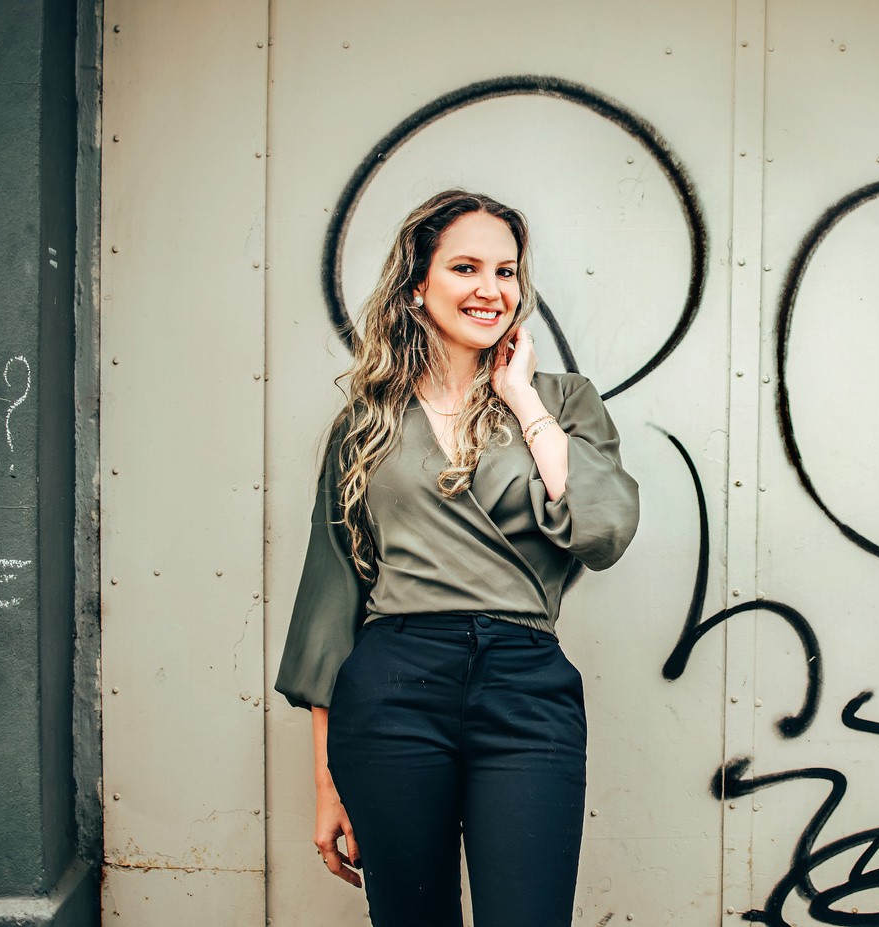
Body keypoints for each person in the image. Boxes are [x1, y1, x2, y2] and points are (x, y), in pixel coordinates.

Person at [274, 189, 640, 927]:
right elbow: (330, 597)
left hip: (525, 685)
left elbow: (602, 529)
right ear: (418, 283)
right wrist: (325, 781)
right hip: (392, 685)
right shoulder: (367, 422)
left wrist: (521, 398)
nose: (491, 289)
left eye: (506, 272)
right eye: (466, 267)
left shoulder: (563, 401)